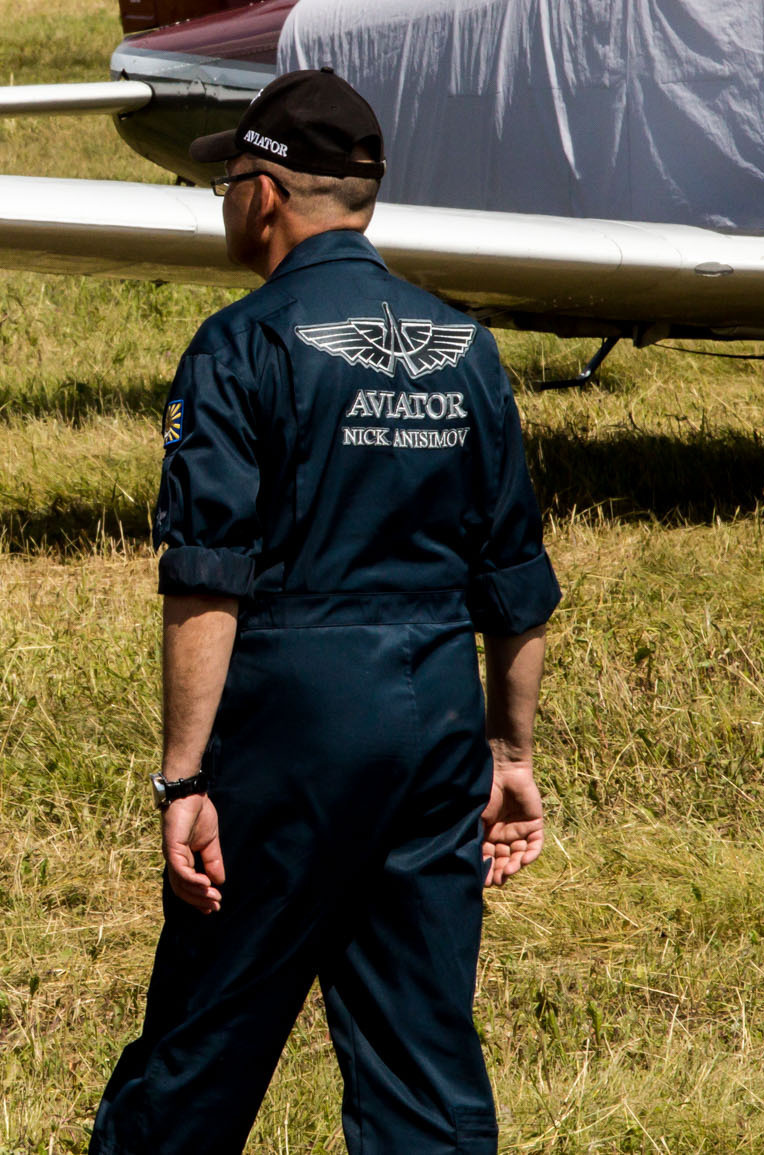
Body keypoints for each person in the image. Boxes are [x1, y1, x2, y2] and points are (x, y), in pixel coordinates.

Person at [92, 70, 560, 1155]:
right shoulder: (465, 346)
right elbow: (516, 579)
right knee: (421, 1058)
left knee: (202, 1043)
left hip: (292, 720)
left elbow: (208, 576)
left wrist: (186, 773)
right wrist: (509, 748)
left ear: (263, 195)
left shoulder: (240, 343)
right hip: (435, 708)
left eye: (227, 180)